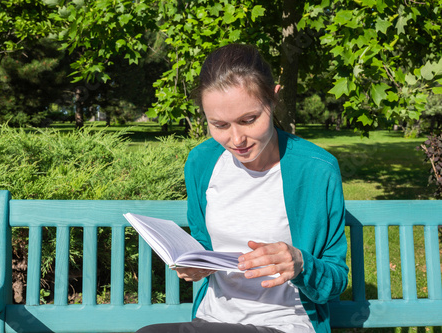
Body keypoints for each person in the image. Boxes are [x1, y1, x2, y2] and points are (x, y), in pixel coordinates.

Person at [136, 43, 348, 333]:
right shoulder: (202, 162)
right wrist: (196, 264)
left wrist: (300, 263)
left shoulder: (315, 169)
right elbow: (203, 245)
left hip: (286, 324)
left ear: (273, 100)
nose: (237, 139)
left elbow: (334, 281)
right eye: (219, 124)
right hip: (212, 320)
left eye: (249, 120)